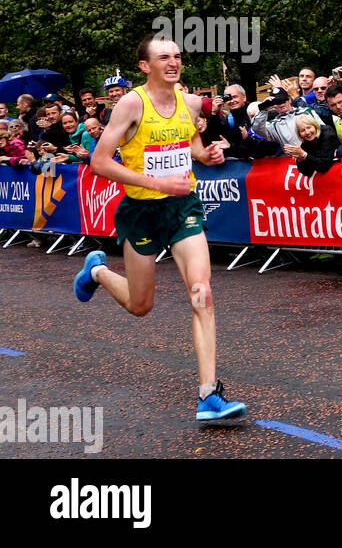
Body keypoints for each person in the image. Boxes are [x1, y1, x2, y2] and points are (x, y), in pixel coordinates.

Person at [73, 34, 246, 422]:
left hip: (182, 207)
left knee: (202, 292)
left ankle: (208, 395)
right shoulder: (131, 104)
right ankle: (98, 271)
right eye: (163, 57)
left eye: (177, 56)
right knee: (140, 305)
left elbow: (195, 148)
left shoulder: (186, 102)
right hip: (141, 212)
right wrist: (157, 184)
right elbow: (100, 162)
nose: (173, 62)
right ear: (144, 67)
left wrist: (210, 154)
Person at [251, 86, 325, 151]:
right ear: (273, 105)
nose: (281, 104)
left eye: (283, 99)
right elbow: (257, 128)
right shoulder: (274, 125)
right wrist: (263, 109)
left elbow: (324, 131)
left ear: (289, 100)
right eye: (277, 101)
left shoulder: (308, 111)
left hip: (318, 155)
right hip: (294, 161)